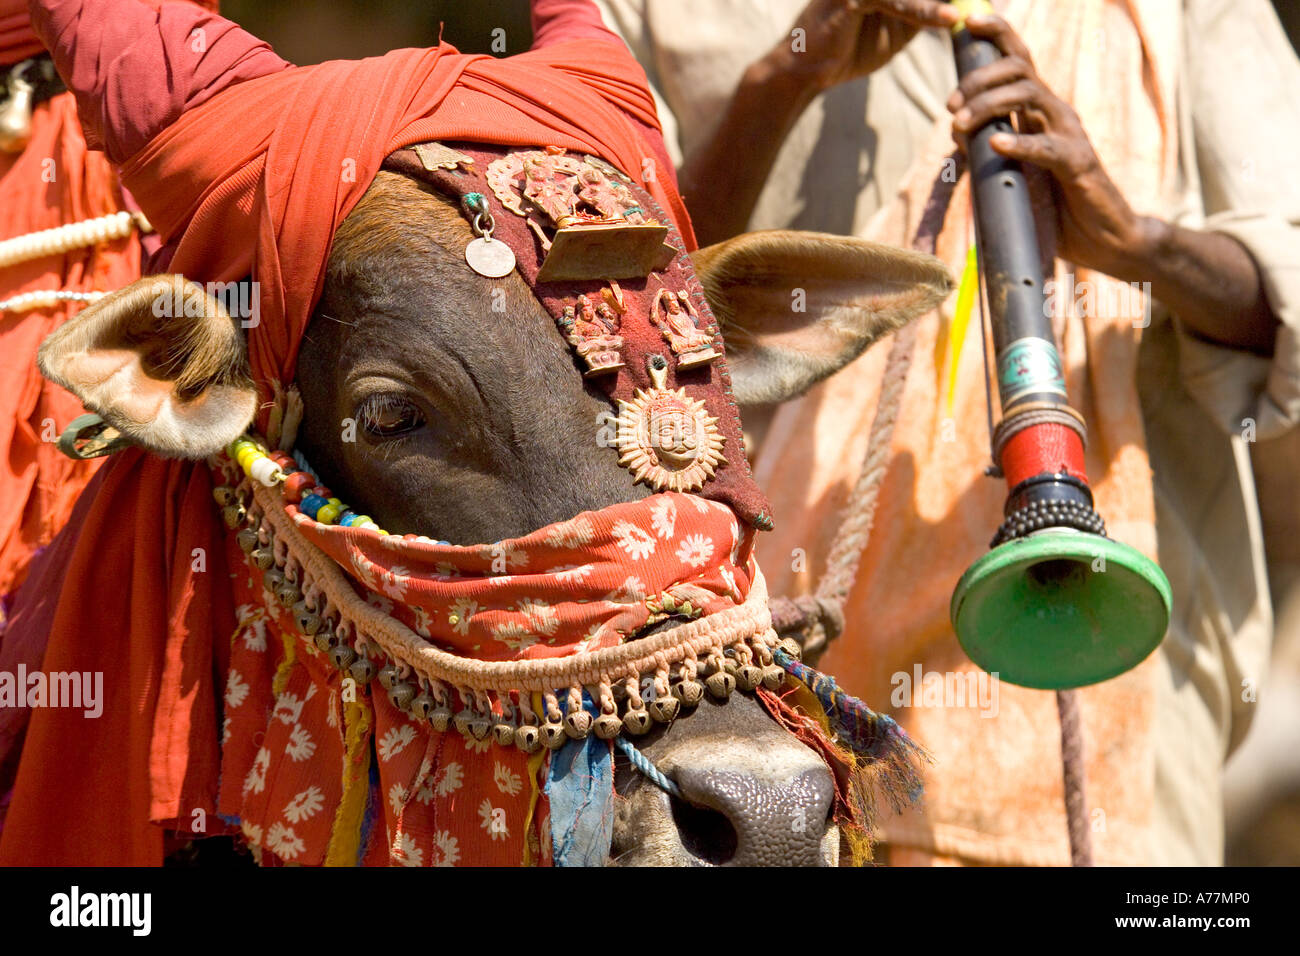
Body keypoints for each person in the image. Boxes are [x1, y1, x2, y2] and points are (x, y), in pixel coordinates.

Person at [594, 0, 1300, 864]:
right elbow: (618, 300)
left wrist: (1129, 240)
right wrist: (785, 78)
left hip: (1128, 649)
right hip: (783, 673)